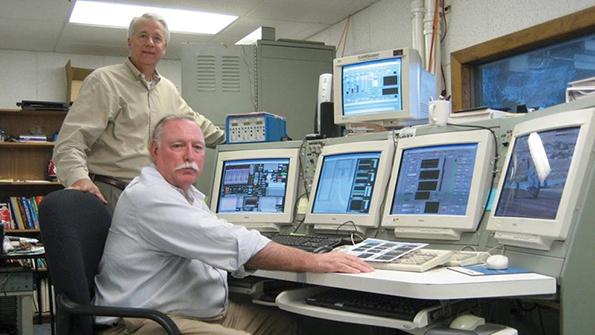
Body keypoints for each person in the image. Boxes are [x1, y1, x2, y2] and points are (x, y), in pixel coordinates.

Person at [94, 115, 373, 335]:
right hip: (148, 323)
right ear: (155, 151)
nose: (189, 155)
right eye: (177, 146)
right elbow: (232, 243)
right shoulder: (151, 196)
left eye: (198, 147)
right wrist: (315, 261)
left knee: (289, 326)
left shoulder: (186, 194)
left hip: (206, 312)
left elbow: (221, 243)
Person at [53, 13, 224, 214]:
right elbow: (70, 142)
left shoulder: (167, 89)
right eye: (143, 36)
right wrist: (78, 179)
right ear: (130, 42)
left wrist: (239, 139)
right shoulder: (104, 81)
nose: (150, 43)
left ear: (164, 48)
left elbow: (197, 125)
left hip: (154, 195)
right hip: (112, 193)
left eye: (157, 38)